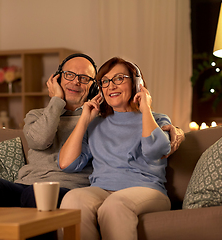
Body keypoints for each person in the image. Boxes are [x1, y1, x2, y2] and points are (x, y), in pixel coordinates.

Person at [0, 53, 184, 209]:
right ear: (57, 79)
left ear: (93, 87)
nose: (75, 81)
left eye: (84, 78)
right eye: (69, 75)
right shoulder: (38, 115)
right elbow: (40, 140)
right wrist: (56, 101)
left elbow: (132, 126)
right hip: (25, 185)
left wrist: (174, 129)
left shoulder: (99, 118)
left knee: (37, 196)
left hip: (68, 189)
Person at [58, 57, 173, 240]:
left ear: (137, 84)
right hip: (102, 189)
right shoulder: (95, 124)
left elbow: (155, 151)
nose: (111, 86)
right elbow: (66, 163)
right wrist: (84, 119)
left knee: (115, 204)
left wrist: (145, 109)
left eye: (119, 78)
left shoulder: (157, 119)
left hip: (147, 190)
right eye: (105, 81)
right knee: (73, 199)